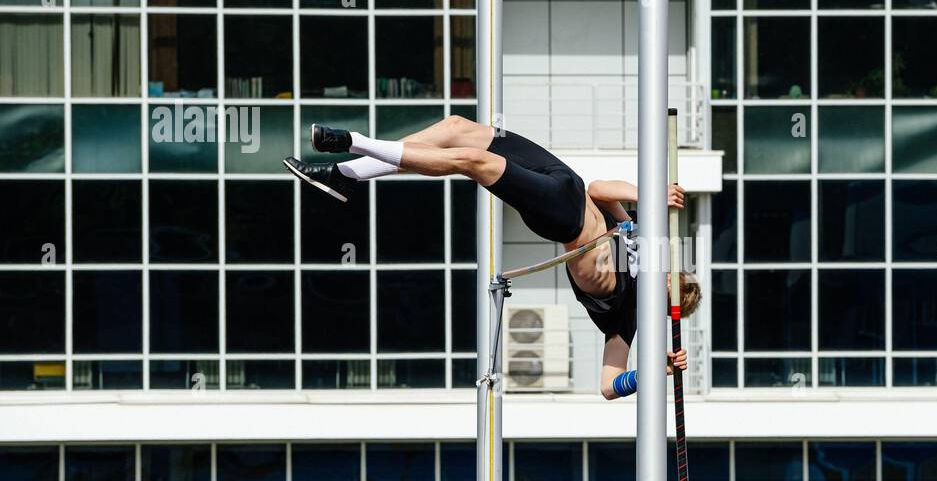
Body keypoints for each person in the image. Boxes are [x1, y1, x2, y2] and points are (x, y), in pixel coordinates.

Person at [284, 116, 701, 399]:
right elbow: (599, 188)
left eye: (667, 287)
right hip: (566, 180)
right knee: (456, 128)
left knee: (473, 163)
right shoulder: (648, 248)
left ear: (666, 307)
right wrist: (647, 195)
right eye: (669, 274)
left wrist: (651, 373)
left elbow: (608, 386)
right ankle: (347, 178)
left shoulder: (624, 319)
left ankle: (349, 148)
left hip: (566, 219)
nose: (661, 273)